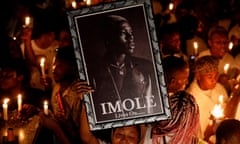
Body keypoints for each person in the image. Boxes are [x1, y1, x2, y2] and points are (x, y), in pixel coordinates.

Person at [89, 15, 161, 122]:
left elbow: (154, 107)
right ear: (109, 38)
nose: (131, 38)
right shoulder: (93, 73)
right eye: (123, 33)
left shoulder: (146, 68)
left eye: (131, 33)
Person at [38, 46, 92, 144]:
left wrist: (56, 127)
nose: (54, 69)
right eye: (54, 65)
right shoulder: (57, 88)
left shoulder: (79, 95)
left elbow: (77, 139)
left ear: (73, 68)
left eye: (60, 66)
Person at [186, 55, 229, 141]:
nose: (214, 80)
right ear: (198, 76)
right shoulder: (190, 99)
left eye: (216, 76)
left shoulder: (219, 88)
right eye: (209, 77)